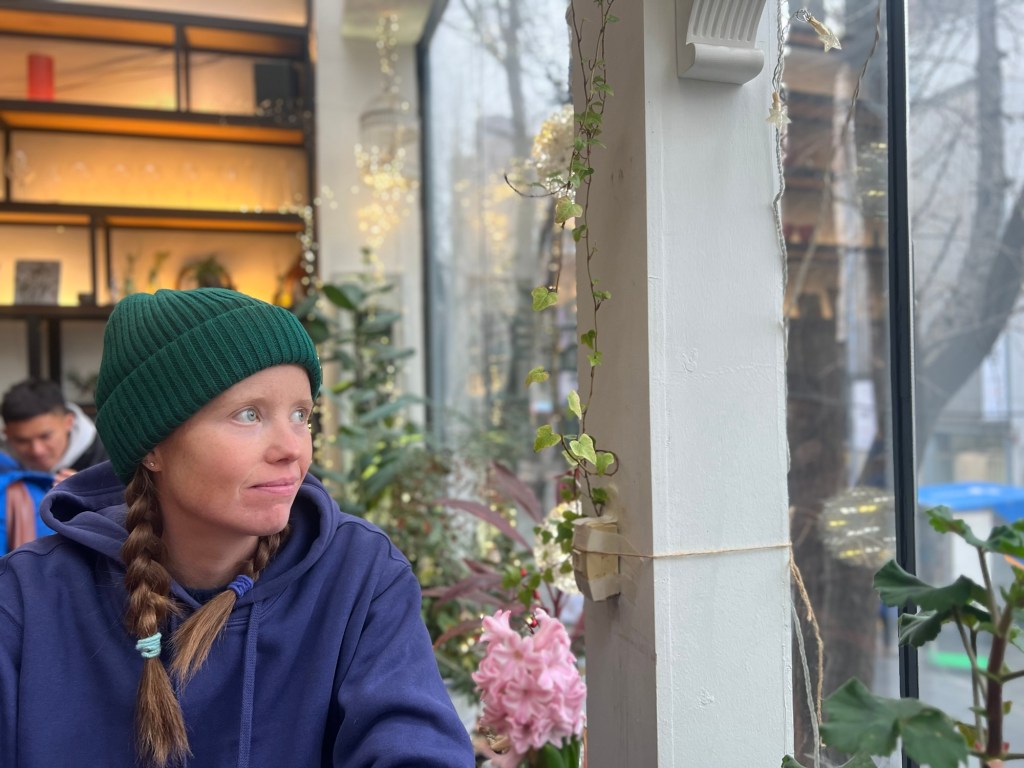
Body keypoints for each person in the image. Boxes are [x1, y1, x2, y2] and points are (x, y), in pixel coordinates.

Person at [0, 288, 475, 767]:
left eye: (302, 415)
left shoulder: (360, 577)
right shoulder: (26, 598)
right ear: (152, 448)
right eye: (249, 415)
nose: (292, 449)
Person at [0, 378, 109, 554]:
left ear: (69, 422)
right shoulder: (5, 469)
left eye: (45, 436)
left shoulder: (111, 460)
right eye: (21, 441)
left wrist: (94, 497)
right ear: (6, 434)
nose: (37, 450)